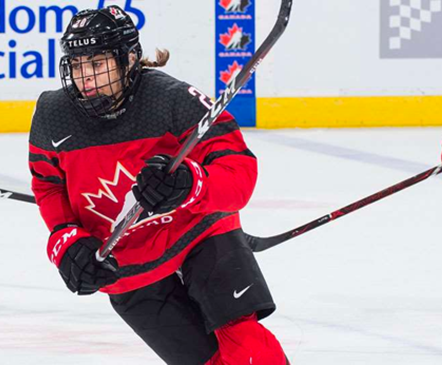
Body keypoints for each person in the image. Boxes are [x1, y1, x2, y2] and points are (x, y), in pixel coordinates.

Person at [29, 6, 289, 364]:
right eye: (76, 65)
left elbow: (239, 171)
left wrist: (191, 184)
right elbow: (48, 185)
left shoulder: (171, 99)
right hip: (125, 261)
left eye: (97, 64)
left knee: (244, 344)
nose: (85, 78)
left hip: (199, 232)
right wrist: (65, 238)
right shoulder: (52, 115)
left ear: (129, 59)